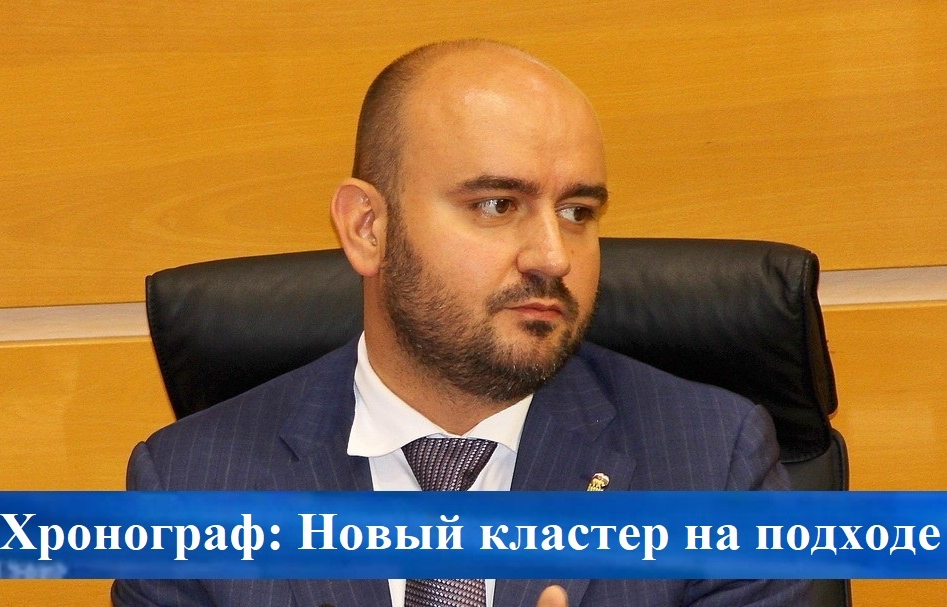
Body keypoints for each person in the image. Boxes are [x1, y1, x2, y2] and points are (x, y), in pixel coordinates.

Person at [112, 40, 810, 607]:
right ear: (368, 227)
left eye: (577, 213)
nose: (553, 257)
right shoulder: (190, 488)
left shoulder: (711, 465)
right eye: (497, 205)